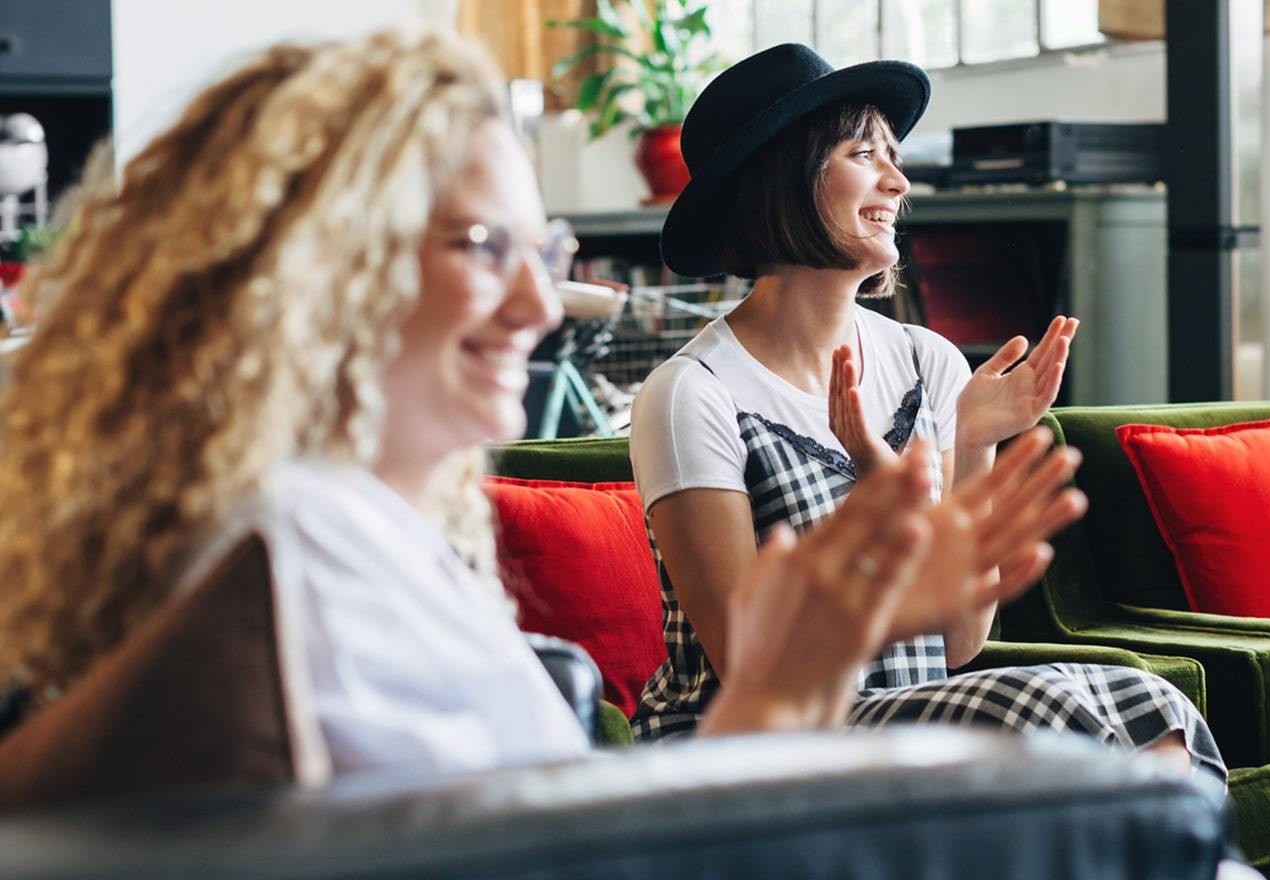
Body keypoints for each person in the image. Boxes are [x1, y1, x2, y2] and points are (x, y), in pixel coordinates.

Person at [0, 27, 1084, 774]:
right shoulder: (285, 567)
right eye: (484, 247)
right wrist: (814, 647)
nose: (540, 300)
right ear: (326, 270)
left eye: (544, 248)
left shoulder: (392, 546)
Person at [627, 43, 1226, 787]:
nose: (898, 181)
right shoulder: (693, 392)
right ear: (780, 179)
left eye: (895, 156)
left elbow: (959, 645)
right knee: (1048, 715)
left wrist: (973, 443)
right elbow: (748, 664)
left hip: (901, 708)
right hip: (747, 739)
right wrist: (885, 520)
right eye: (863, 154)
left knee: (1148, 701)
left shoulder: (926, 362)